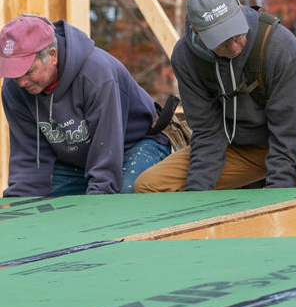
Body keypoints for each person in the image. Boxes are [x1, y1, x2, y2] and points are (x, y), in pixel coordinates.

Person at [135, 0, 296, 192]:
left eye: (236, 33)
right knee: (149, 185)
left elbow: (285, 132)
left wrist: (277, 203)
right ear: (196, 32)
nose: (234, 46)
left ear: (238, 7)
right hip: (244, 142)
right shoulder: (185, 58)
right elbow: (208, 134)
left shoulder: (279, 45)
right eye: (222, 40)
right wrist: (196, 199)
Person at [0, 15, 170, 196]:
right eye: (14, 74)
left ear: (52, 55)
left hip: (134, 146)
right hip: (77, 164)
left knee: (123, 197)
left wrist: (96, 206)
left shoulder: (96, 75)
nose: (21, 82)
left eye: (28, 72)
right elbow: (29, 161)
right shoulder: (14, 89)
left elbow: (105, 162)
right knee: (41, 205)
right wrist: (19, 211)